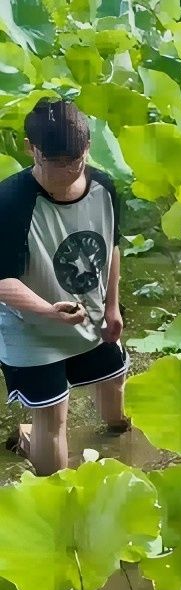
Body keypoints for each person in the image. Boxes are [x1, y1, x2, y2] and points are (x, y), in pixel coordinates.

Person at [0, 99, 128, 476]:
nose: (67, 173)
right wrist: (45, 310)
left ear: (87, 149)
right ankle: (56, 502)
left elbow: (111, 245)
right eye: (54, 164)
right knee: (54, 420)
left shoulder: (104, 187)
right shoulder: (9, 203)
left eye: (75, 162)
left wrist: (112, 306)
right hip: (32, 329)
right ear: (30, 149)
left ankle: (31, 440)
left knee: (116, 402)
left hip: (90, 312)